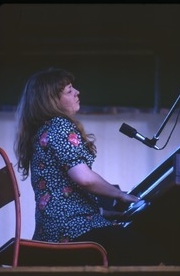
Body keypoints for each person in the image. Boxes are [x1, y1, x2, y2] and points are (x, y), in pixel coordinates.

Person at [14, 68, 164, 265]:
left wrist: (106, 214)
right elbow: (84, 178)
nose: (77, 92)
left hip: (52, 230)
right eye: (69, 90)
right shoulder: (60, 126)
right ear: (50, 100)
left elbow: (64, 196)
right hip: (71, 231)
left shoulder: (43, 131)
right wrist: (120, 195)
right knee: (150, 248)